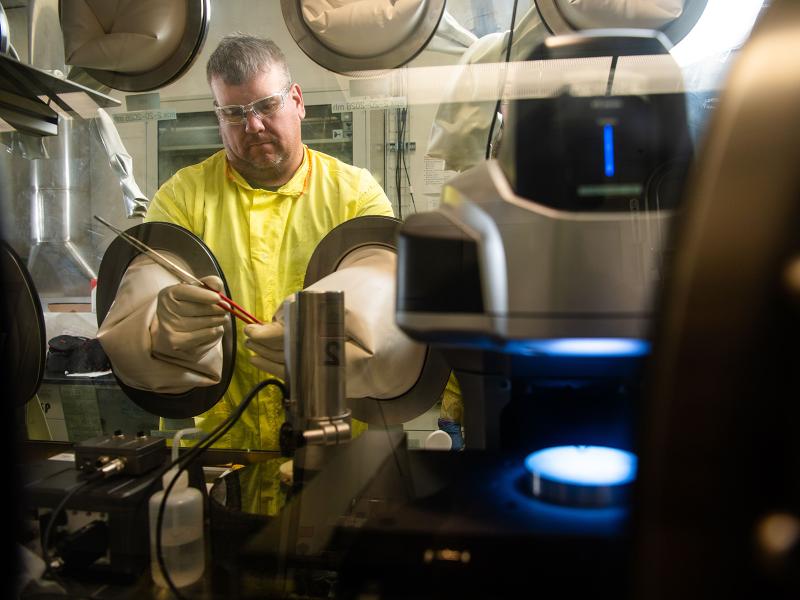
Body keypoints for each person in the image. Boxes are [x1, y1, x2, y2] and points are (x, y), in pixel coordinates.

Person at [98, 34, 395, 463]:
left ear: (297, 100)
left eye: (266, 105)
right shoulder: (182, 197)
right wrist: (156, 323)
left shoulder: (355, 194)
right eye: (234, 113)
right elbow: (142, 288)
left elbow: (387, 291)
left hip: (336, 445)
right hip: (219, 445)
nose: (252, 125)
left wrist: (335, 330)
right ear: (219, 118)